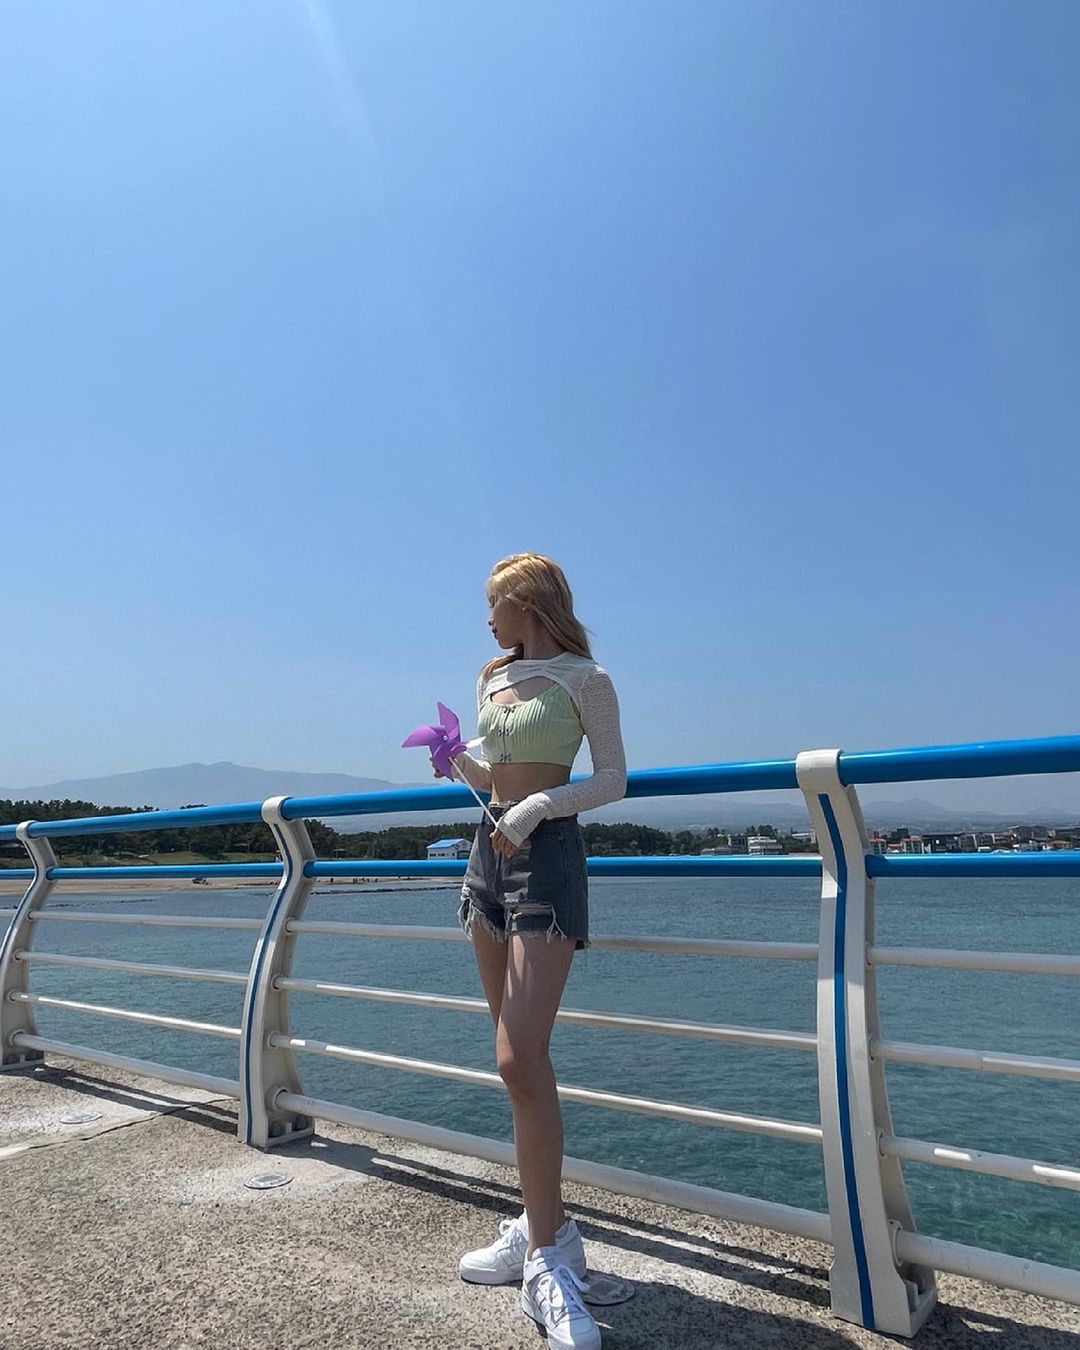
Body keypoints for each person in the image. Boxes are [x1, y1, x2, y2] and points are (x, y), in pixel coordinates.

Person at [429, 552, 627, 1350]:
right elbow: (492, 775)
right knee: (515, 1060)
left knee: (520, 1058)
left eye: (495, 606)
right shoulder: (491, 681)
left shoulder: (589, 679)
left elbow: (612, 778)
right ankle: (545, 1229)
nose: (487, 622)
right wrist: (458, 764)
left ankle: (548, 1260)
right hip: (488, 855)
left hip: (547, 858)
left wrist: (541, 803)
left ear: (530, 603)